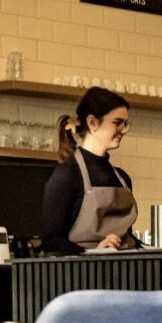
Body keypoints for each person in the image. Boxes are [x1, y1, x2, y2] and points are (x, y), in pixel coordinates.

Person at [41, 87, 138, 254]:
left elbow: (127, 235)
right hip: (80, 275)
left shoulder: (122, 178)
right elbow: (51, 241)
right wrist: (93, 253)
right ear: (92, 122)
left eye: (125, 124)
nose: (123, 130)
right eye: (117, 123)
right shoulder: (67, 175)